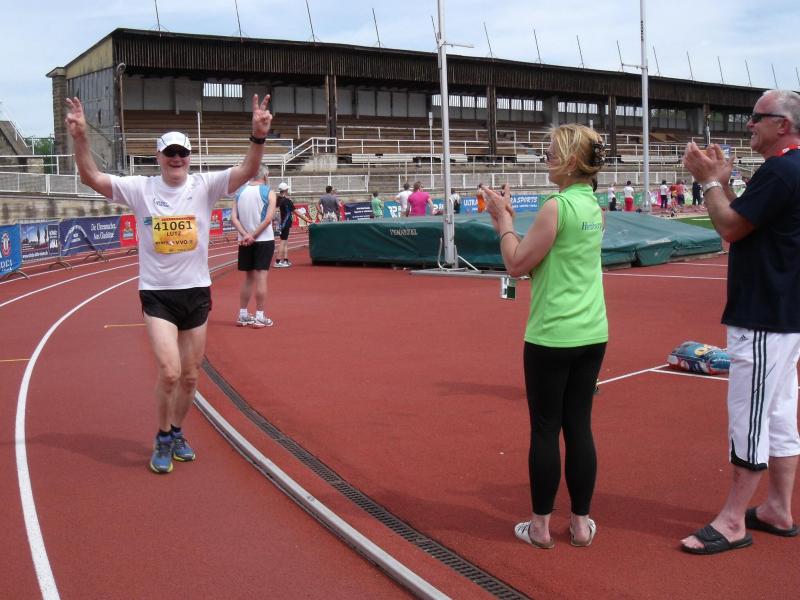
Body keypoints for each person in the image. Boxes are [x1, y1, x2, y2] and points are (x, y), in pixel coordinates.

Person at [64, 93, 273, 474]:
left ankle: (177, 431)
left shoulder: (204, 185)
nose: (177, 159)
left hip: (196, 291)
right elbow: (91, 177)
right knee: (171, 371)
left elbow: (247, 170)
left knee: (191, 377)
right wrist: (80, 138)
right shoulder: (141, 188)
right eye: (170, 153)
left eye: (182, 153)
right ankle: (162, 437)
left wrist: (258, 135)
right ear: (158, 157)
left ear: (190, 157)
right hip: (157, 293)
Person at [680, 89, 800, 555]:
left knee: (750, 417)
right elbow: (743, 220)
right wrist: (723, 183)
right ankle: (778, 508)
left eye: (756, 117)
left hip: (764, 315)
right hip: (783, 314)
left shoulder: (780, 171)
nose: (749, 124)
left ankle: (732, 521)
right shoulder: (788, 168)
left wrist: (710, 181)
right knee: (780, 415)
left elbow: (728, 228)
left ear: (782, 124)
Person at [485, 124, 608, 550]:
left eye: (552, 153)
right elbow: (549, 260)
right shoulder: (593, 206)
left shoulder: (556, 206)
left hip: (553, 334)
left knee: (544, 429)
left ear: (572, 160)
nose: (547, 159)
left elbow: (517, 264)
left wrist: (504, 221)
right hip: (593, 331)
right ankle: (580, 524)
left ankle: (539, 527)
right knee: (579, 427)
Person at [230, 165, 276, 328]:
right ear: (265, 175)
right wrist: (253, 235)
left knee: (248, 278)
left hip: (245, 241)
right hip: (263, 239)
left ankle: (243, 314)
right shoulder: (269, 191)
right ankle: (259, 316)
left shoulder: (240, 192)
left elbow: (233, 218)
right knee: (261, 277)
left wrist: (245, 235)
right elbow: (268, 219)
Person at [274, 182, 311, 268]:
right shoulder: (287, 201)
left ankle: (285, 260)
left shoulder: (278, 199)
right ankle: (278, 261)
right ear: (286, 190)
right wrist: (306, 219)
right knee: (283, 241)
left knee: (285, 241)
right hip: (285, 223)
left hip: (281, 223)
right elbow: (296, 212)